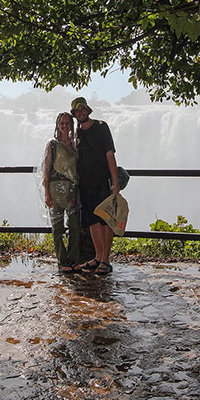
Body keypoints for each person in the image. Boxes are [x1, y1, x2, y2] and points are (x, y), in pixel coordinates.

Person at [71, 97, 119, 275]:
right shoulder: (78, 132)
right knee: (92, 220)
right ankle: (98, 257)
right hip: (84, 183)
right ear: (75, 114)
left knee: (105, 220)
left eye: (83, 109)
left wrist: (114, 181)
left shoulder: (101, 126)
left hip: (101, 181)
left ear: (88, 111)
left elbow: (110, 154)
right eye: (77, 111)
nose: (81, 113)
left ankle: (106, 259)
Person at [43, 112, 81, 273]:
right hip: (55, 189)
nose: (64, 126)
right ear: (57, 125)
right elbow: (46, 170)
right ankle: (62, 260)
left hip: (72, 191)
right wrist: (47, 193)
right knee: (57, 227)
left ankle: (73, 259)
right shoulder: (52, 144)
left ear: (71, 125)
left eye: (67, 123)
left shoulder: (75, 145)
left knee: (74, 226)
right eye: (61, 123)